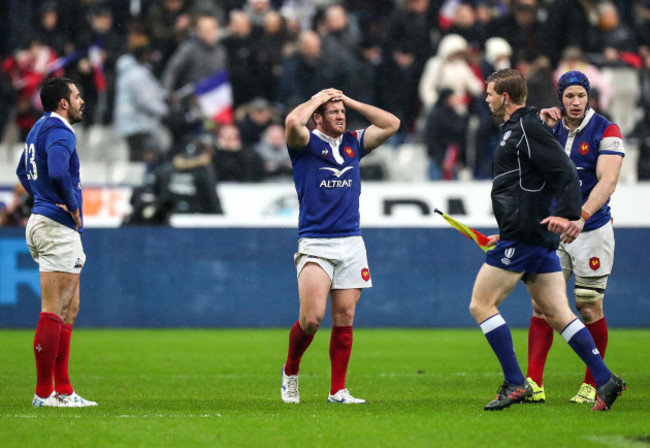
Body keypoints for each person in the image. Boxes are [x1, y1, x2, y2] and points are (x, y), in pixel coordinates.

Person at [469, 68, 625, 411]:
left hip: (532, 235)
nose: (486, 98)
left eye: (490, 93)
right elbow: (534, 183)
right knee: (556, 312)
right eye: (568, 95)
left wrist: (572, 215)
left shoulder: (525, 127)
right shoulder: (523, 127)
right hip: (533, 233)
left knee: (481, 304)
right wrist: (509, 226)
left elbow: (565, 171)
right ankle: (604, 379)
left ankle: (515, 383)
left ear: (505, 97)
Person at [281, 88, 400, 404]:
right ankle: (291, 371)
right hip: (316, 241)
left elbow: (391, 123)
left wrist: (348, 101)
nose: (340, 115)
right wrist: (317, 99)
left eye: (342, 112)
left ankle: (337, 390)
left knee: (345, 315)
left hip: (351, 240)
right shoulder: (305, 144)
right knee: (311, 319)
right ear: (318, 117)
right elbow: (293, 121)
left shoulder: (352, 144)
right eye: (333, 111)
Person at [524, 70, 625, 404]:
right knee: (542, 306)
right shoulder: (549, 127)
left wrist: (581, 217)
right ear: (560, 98)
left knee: (588, 306)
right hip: (554, 233)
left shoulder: (607, 131)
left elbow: (607, 181)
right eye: (570, 96)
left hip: (591, 231)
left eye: (581, 95)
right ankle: (533, 384)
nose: (576, 102)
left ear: (589, 97)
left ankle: (592, 384)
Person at [16, 77, 97, 408]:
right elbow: (61, 172)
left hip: (46, 224)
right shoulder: (61, 131)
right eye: (77, 96)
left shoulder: (39, 128)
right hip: (55, 227)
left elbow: (23, 171)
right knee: (52, 310)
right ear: (63, 102)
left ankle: (62, 390)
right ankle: (44, 393)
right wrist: (70, 204)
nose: (81, 101)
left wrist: (42, 198)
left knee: (69, 309)